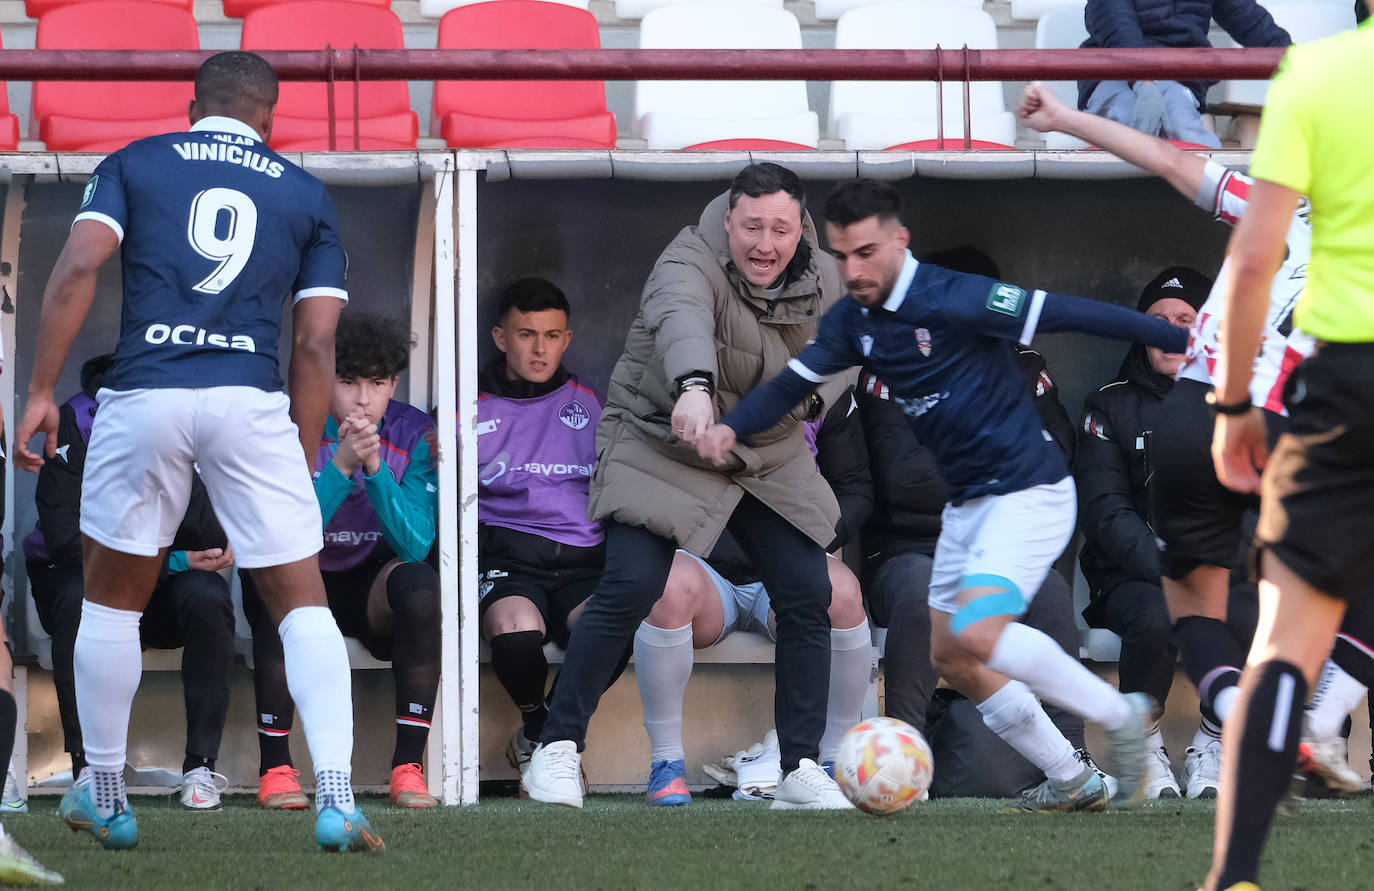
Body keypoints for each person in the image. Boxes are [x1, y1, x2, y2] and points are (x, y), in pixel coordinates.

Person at [696, 178, 1193, 813]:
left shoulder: (958, 296)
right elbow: (794, 381)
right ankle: (1070, 775)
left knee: (976, 633)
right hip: (969, 508)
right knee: (953, 654)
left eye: (868, 252)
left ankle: (1116, 714)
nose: (855, 270)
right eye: (843, 256)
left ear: (900, 243)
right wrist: (730, 428)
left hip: (1027, 491)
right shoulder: (853, 320)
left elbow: (1069, 312)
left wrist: (1191, 342)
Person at [13, 51, 382, 853]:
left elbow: (79, 262)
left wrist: (41, 391)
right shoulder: (305, 193)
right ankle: (340, 797)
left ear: (192, 108)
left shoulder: (133, 162)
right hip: (247, 400)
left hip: (144, 393)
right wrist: (305, 447)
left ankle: (106, 793)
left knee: (110, 601)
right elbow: (316, 344)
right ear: (269, 119)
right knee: (301, 603)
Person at [1019, 82, 1374, 802]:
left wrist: (1062, 116)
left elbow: (1168, 159)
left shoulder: (1275, 202)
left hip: (1186, 421)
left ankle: (1247, 716)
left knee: (1197, 612)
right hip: (1274, 423)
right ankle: (1322, 718)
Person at [523, 162, 856, 811]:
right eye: (752, 226)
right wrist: (696, 390)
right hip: (662, 437)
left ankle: (800, 765)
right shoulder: (686, 258)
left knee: (808, 587)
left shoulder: (826, 277)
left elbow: (841, 356)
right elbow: (683, 320)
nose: (764, 243)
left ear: (801, 229)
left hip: (761, 447)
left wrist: (793, 411)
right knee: (630, 582)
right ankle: (556, 748)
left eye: (780, 229)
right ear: (728, 220)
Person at [1204, 23, 1374, 891]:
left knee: (1286, 644)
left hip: (1345, 383)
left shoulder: (1316, 72)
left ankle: (1235, 877)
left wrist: (1234, 403)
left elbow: (1256, 255)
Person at [633, 388, 873, 806]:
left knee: (844, 593)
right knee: (665, 588)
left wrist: (808, 542)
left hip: (786, 573)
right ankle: (666, 764)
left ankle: (834, 763)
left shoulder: (821, 387)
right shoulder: (697, 386)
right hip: (708, 571)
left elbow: (856, 489)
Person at [242, 312, 440, 810]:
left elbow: (415, 544)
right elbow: (285, 532)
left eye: (377, 383)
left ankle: (408, 769)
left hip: (371, 587)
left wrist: (374, 469)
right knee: (272, 585)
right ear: (324, 377)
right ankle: (276, 769)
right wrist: (342, 465)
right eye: (346, 381)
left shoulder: (414, 432)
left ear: (394, 382)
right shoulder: (290, 425)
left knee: (420, 584)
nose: (361, 398)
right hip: (306, 578)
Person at [23, 354, 236, 811]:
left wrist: (182, 454)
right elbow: (66, 542)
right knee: (80, 599)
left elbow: (213, 538)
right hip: (85, 582)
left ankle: (200, 767)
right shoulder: (75, 424)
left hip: (157, 594)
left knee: (207, 597)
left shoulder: (182, 424)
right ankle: (89, 770)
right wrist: (174, 560)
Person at [1076, 266, 1229, 799]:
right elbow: (1104, 512)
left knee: (1247, 601)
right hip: (1129, 578)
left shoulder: (1239, 403)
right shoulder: (1109, 404)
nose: (1169, 330)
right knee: (1162, 612)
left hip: (1218, 565)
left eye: (1184, 319)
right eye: (1157, 320)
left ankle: (1215, 742)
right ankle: (1144, 748)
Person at [476, 278, 620, 783]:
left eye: (552, 335)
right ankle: (541, 732)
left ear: (567, 339)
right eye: (526, 334)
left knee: (616, 628)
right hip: (510, 558)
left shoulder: (593, 406)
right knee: (516, 638)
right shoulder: (465, 407)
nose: (540, 348)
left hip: (583, 560)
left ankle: (551, 737)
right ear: (500, 337)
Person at [1077, 0, 1290, 149]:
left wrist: (1294, 58)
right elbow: (1115, 22)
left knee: (1180, 118)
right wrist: (1144, 80)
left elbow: (1249, 20)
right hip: (1115, 75)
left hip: (1178, 79)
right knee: (1130, 116)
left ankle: (1210, 202)